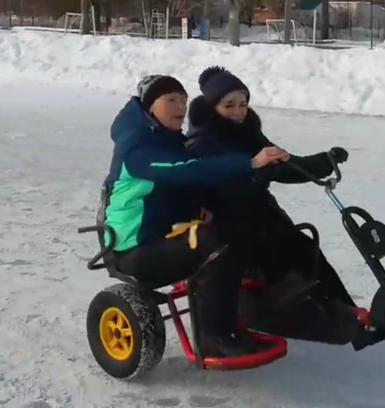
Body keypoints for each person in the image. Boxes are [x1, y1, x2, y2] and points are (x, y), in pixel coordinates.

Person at [102, 74, 289, 357]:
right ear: (150, 106)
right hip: (134, 249)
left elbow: (177, 186)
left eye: (183, 100)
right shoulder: (137, 147)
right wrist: (251, 162)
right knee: (213, 245)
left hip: (162, 236)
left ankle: (242, 317)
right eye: (171, 100)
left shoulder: (168, 140)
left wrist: (196, 206)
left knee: (235, 230)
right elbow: (187, 170)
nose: (180, 107)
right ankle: (214, 337)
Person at [184, 66, 357, 309]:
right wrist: (261, 171)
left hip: (262, 218)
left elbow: (285, 165)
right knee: (279, 262)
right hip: (226, 227)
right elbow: (226, 190)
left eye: (243, 104)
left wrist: (324, 161)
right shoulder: (201, 143)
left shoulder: (248, 134)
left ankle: (348, 313)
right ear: (213, 107)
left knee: (307, 252)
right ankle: (302, 315)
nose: (238, 112)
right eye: (229, 105)